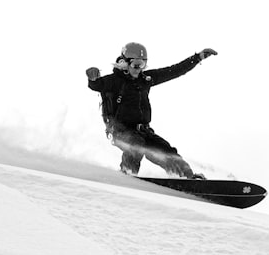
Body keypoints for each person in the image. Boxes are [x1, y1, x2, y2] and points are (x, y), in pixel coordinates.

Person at [86, 42, 218, 178]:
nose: (139, 69)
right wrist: (93, 78)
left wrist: (197, 58)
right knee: (136, 145)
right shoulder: (115, 81)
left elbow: (174, 71)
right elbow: (97, 84)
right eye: (136, 64)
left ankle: (187, 178)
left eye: (142, 64)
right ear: (125, 63)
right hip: (121, 132)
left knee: (167, 151)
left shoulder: (145, 79)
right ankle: (126, 175)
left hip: (143, 131)